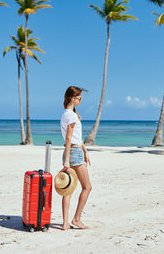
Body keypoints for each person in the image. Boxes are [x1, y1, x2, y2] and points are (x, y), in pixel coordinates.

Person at [60, 86, 92, 230]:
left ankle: (65, 223)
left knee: (68, 189)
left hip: (73, 151)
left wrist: (85, 151)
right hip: (73, 153)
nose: (80, 100)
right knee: (87, 187)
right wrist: (67, 160)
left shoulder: (66, 114)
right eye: (79, 97)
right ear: (72, 98)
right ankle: (76, 219)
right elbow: (68, 138)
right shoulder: (71, 116)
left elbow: (75, 138)